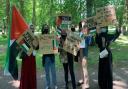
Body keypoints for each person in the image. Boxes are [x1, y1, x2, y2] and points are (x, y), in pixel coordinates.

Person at [19, 24, 39, 89]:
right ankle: (25, 86)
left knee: (32, 73)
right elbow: (21, 45)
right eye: (31, 28)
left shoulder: (35, 37)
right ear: (28, 28)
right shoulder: (24, 36)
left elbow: (37, 47)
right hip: (26, 58)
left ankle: (32, 86)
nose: (32, 29)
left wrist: (36, 45)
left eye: (33, 28)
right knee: (25, 73)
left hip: (32, 58)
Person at [42, 24, 58, 89]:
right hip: (45, 58)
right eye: (45, 28)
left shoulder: (52, 36)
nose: (46, 29)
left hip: (51, 57)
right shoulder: (41, 37)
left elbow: (55, 46)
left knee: (53, 72)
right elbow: (39, 47)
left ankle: (55, 85)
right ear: (43, 29)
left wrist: (56, 40)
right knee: (47, 73)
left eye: (47, 28)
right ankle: (48, 85)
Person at [77, 21, 89, 89]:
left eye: (84, 26)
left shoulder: (86, 34)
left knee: (84, 68)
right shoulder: (79, 33)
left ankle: (87, 84)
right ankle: (81, 80)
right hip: (79, 52)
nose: (83, 27)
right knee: (80, 67)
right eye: (82, 26)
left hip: (84, 52)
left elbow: (87, 43)